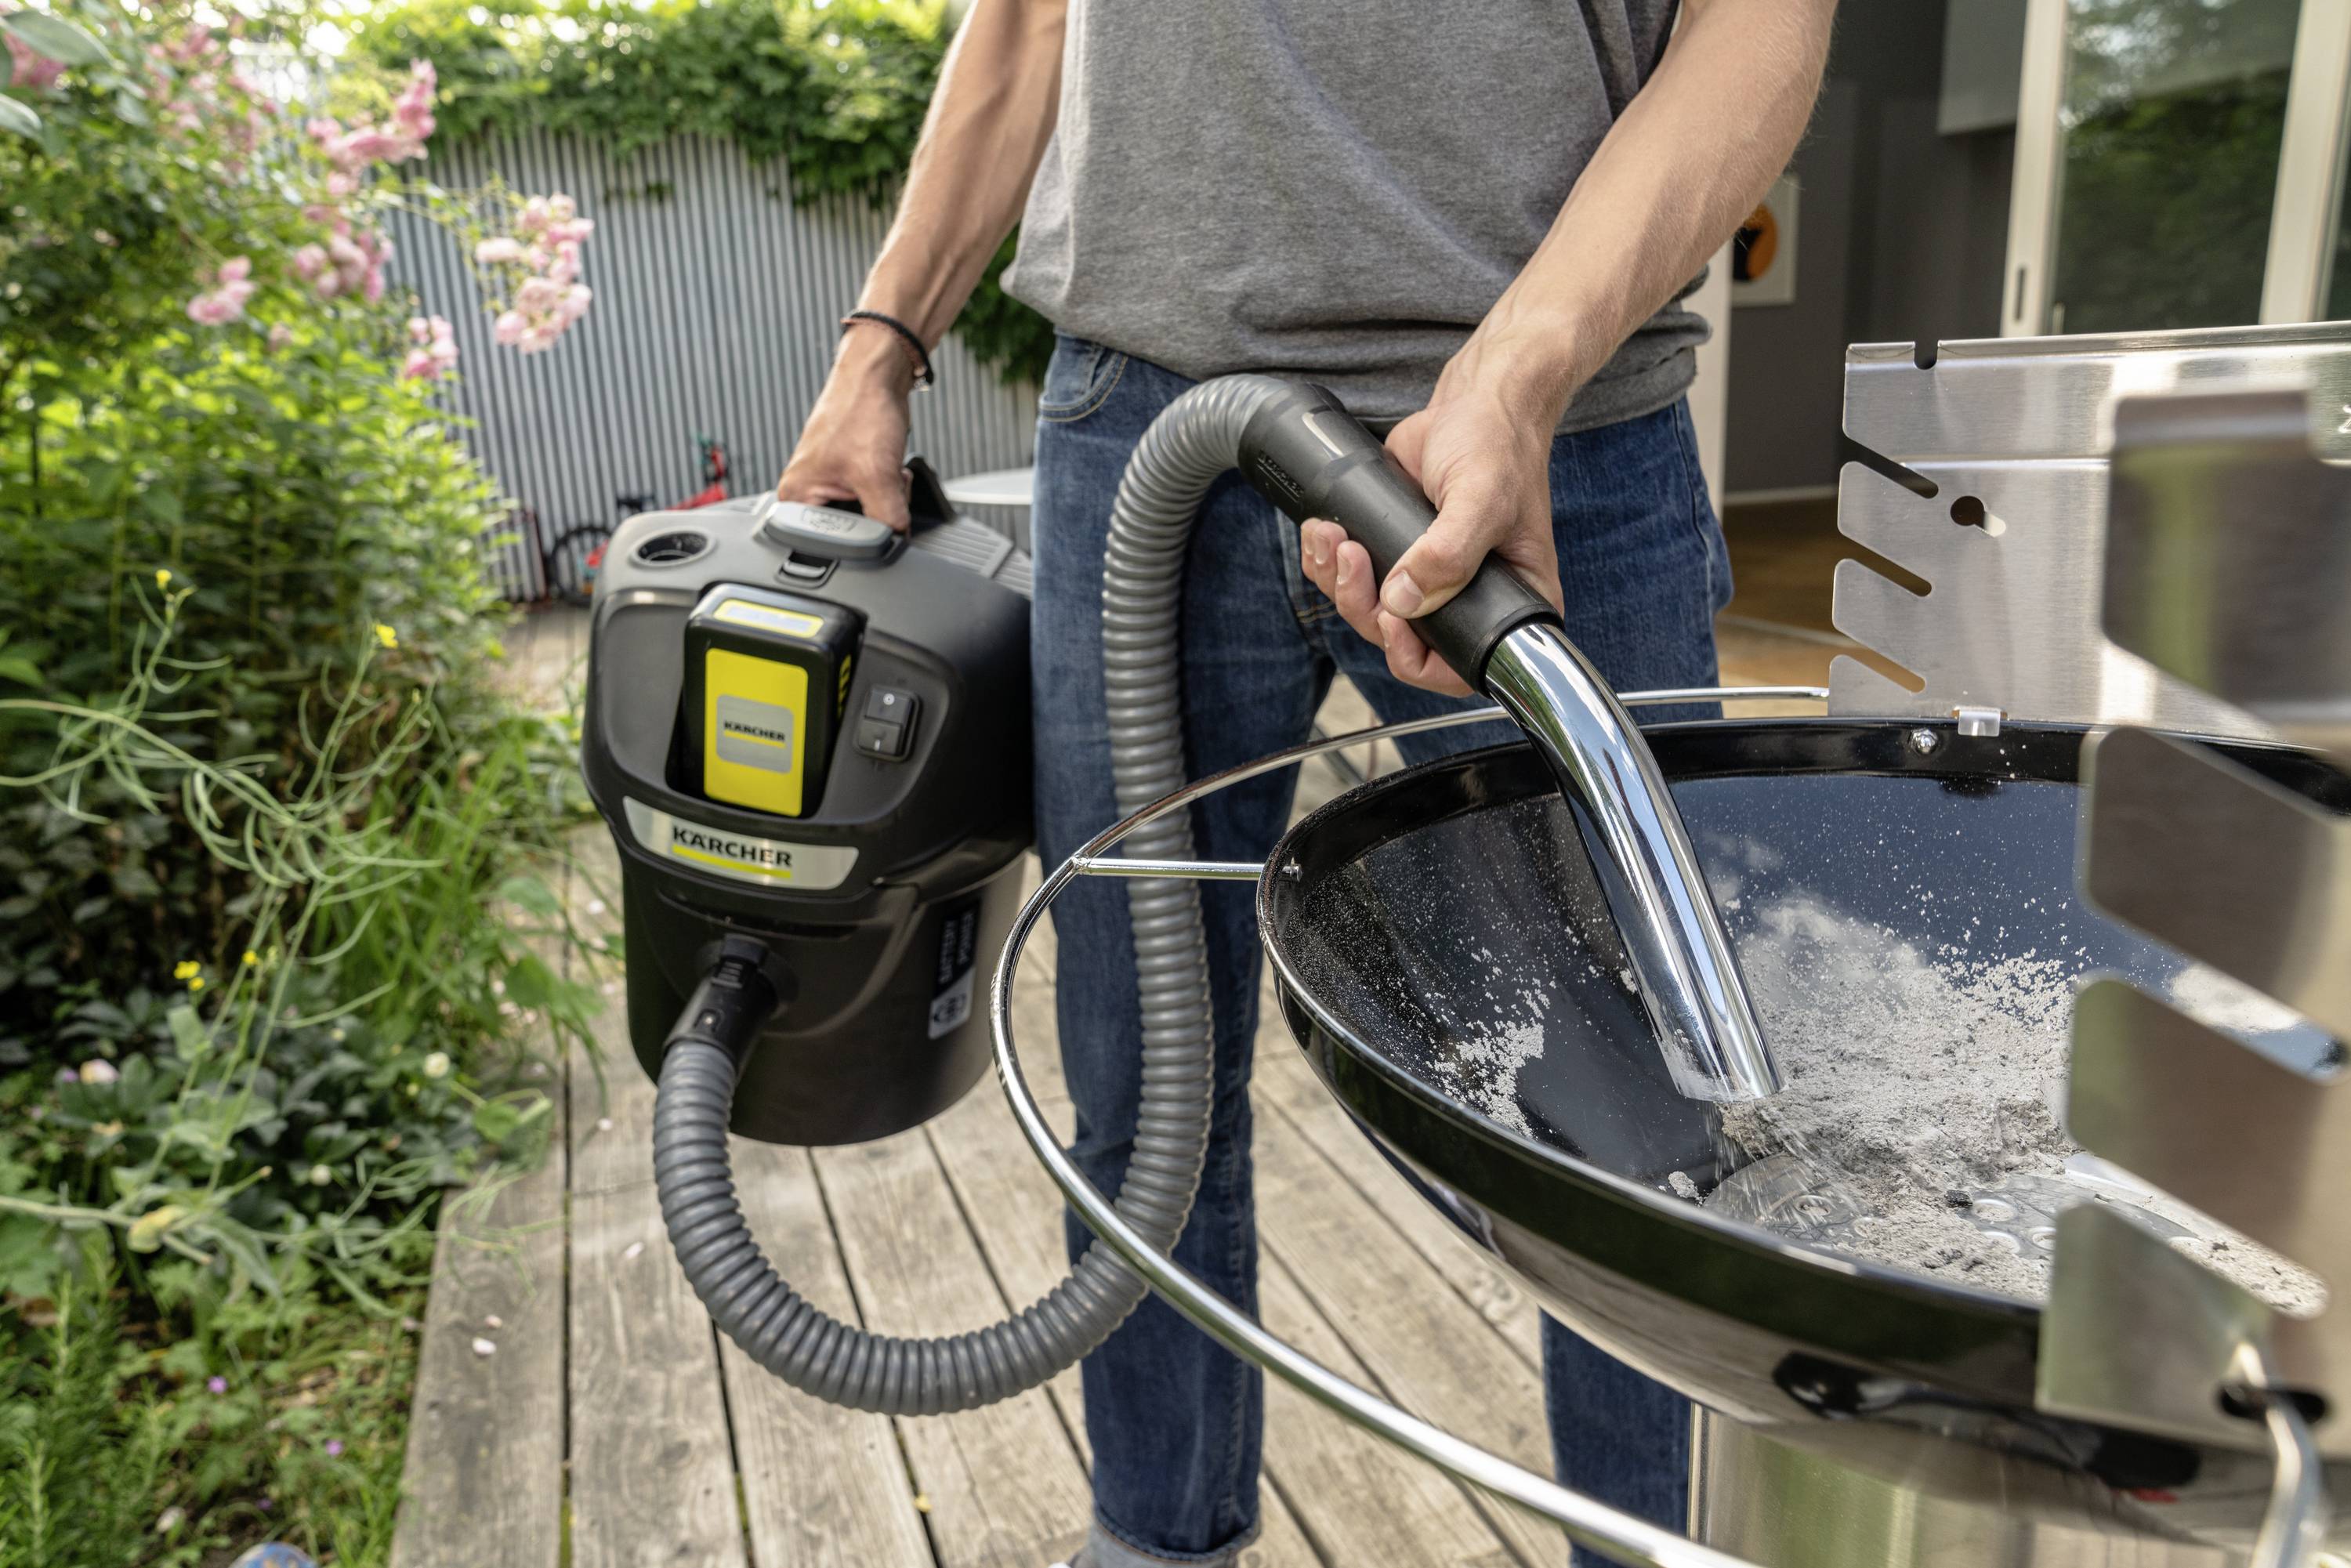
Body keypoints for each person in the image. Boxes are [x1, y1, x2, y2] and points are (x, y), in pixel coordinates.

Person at [775, 3, 1836, 1563]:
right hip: (1147, 438)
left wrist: (1523, 366)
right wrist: (880, 346)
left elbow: (1757, 33)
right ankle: (1159, 1532)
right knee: (1140, 1082)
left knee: (1642, 1112)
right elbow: (1022, 21)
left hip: (1564, 451)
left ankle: (1649, 1548)